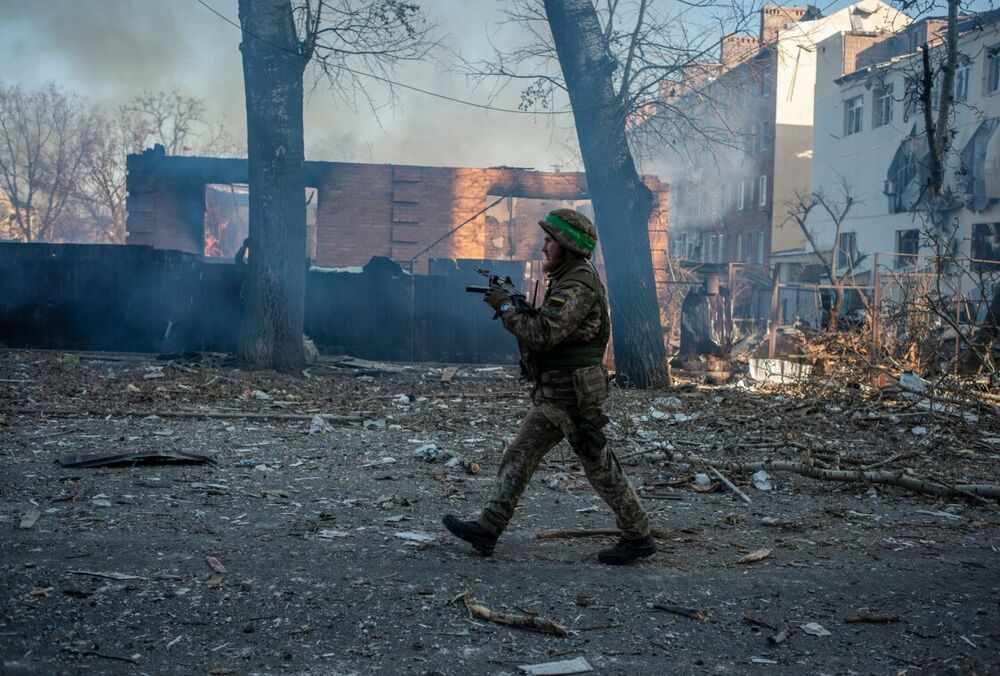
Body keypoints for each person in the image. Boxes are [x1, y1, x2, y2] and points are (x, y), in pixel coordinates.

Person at [442, 208, 655, 565]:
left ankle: (639, 536)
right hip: (555, 393)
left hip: (572, 395)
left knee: (598, 464)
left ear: (567, 246)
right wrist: (521, 306)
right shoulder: (567, 278)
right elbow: (551, 325)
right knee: (520, 455)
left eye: (549, 241)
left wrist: (508, 307)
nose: (543, 248)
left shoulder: (577, 284)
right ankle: (488, 529)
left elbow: (544, 334)